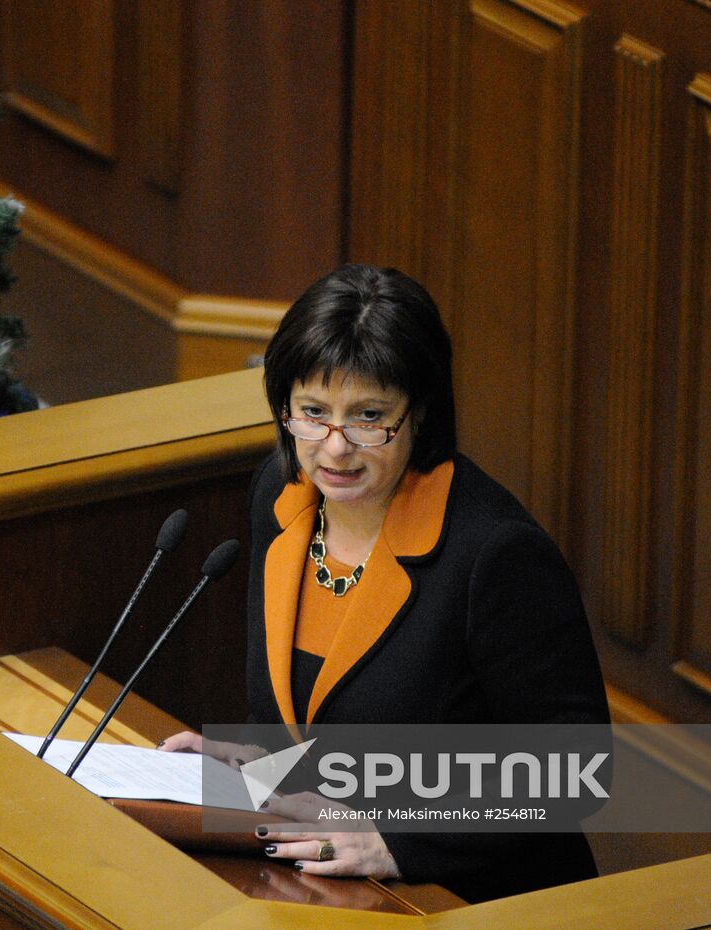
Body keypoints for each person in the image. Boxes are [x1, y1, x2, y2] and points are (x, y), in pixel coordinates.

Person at [160, 264, 608, 903]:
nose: (335, 449)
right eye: (312, 413)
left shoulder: (495, 553)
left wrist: (396, 837)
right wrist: (254, 761)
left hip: (471, 899)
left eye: (369, 417)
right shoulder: (281, 497)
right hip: (325, 882)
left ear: (419, 414)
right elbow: (325, 720)